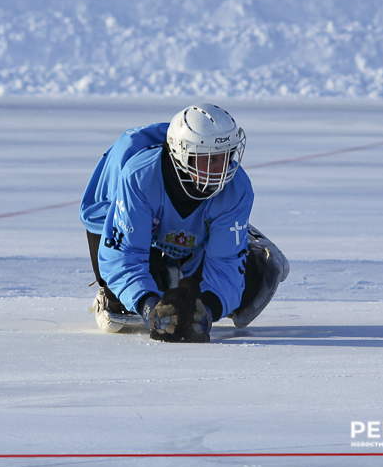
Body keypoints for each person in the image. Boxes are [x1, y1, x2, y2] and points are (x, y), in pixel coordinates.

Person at [80, 103, 289, 342]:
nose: (221, 170)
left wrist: (208, 311)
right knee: (123, 307)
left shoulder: (237, 188)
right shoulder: (138, 177)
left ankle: (231, 239)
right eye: (209, 160)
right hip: (121, 215)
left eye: (226, 156)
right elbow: (125, 256)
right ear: (183, 155)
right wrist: (149, 308)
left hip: (188, 233)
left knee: (247, 291)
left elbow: (225, 266)